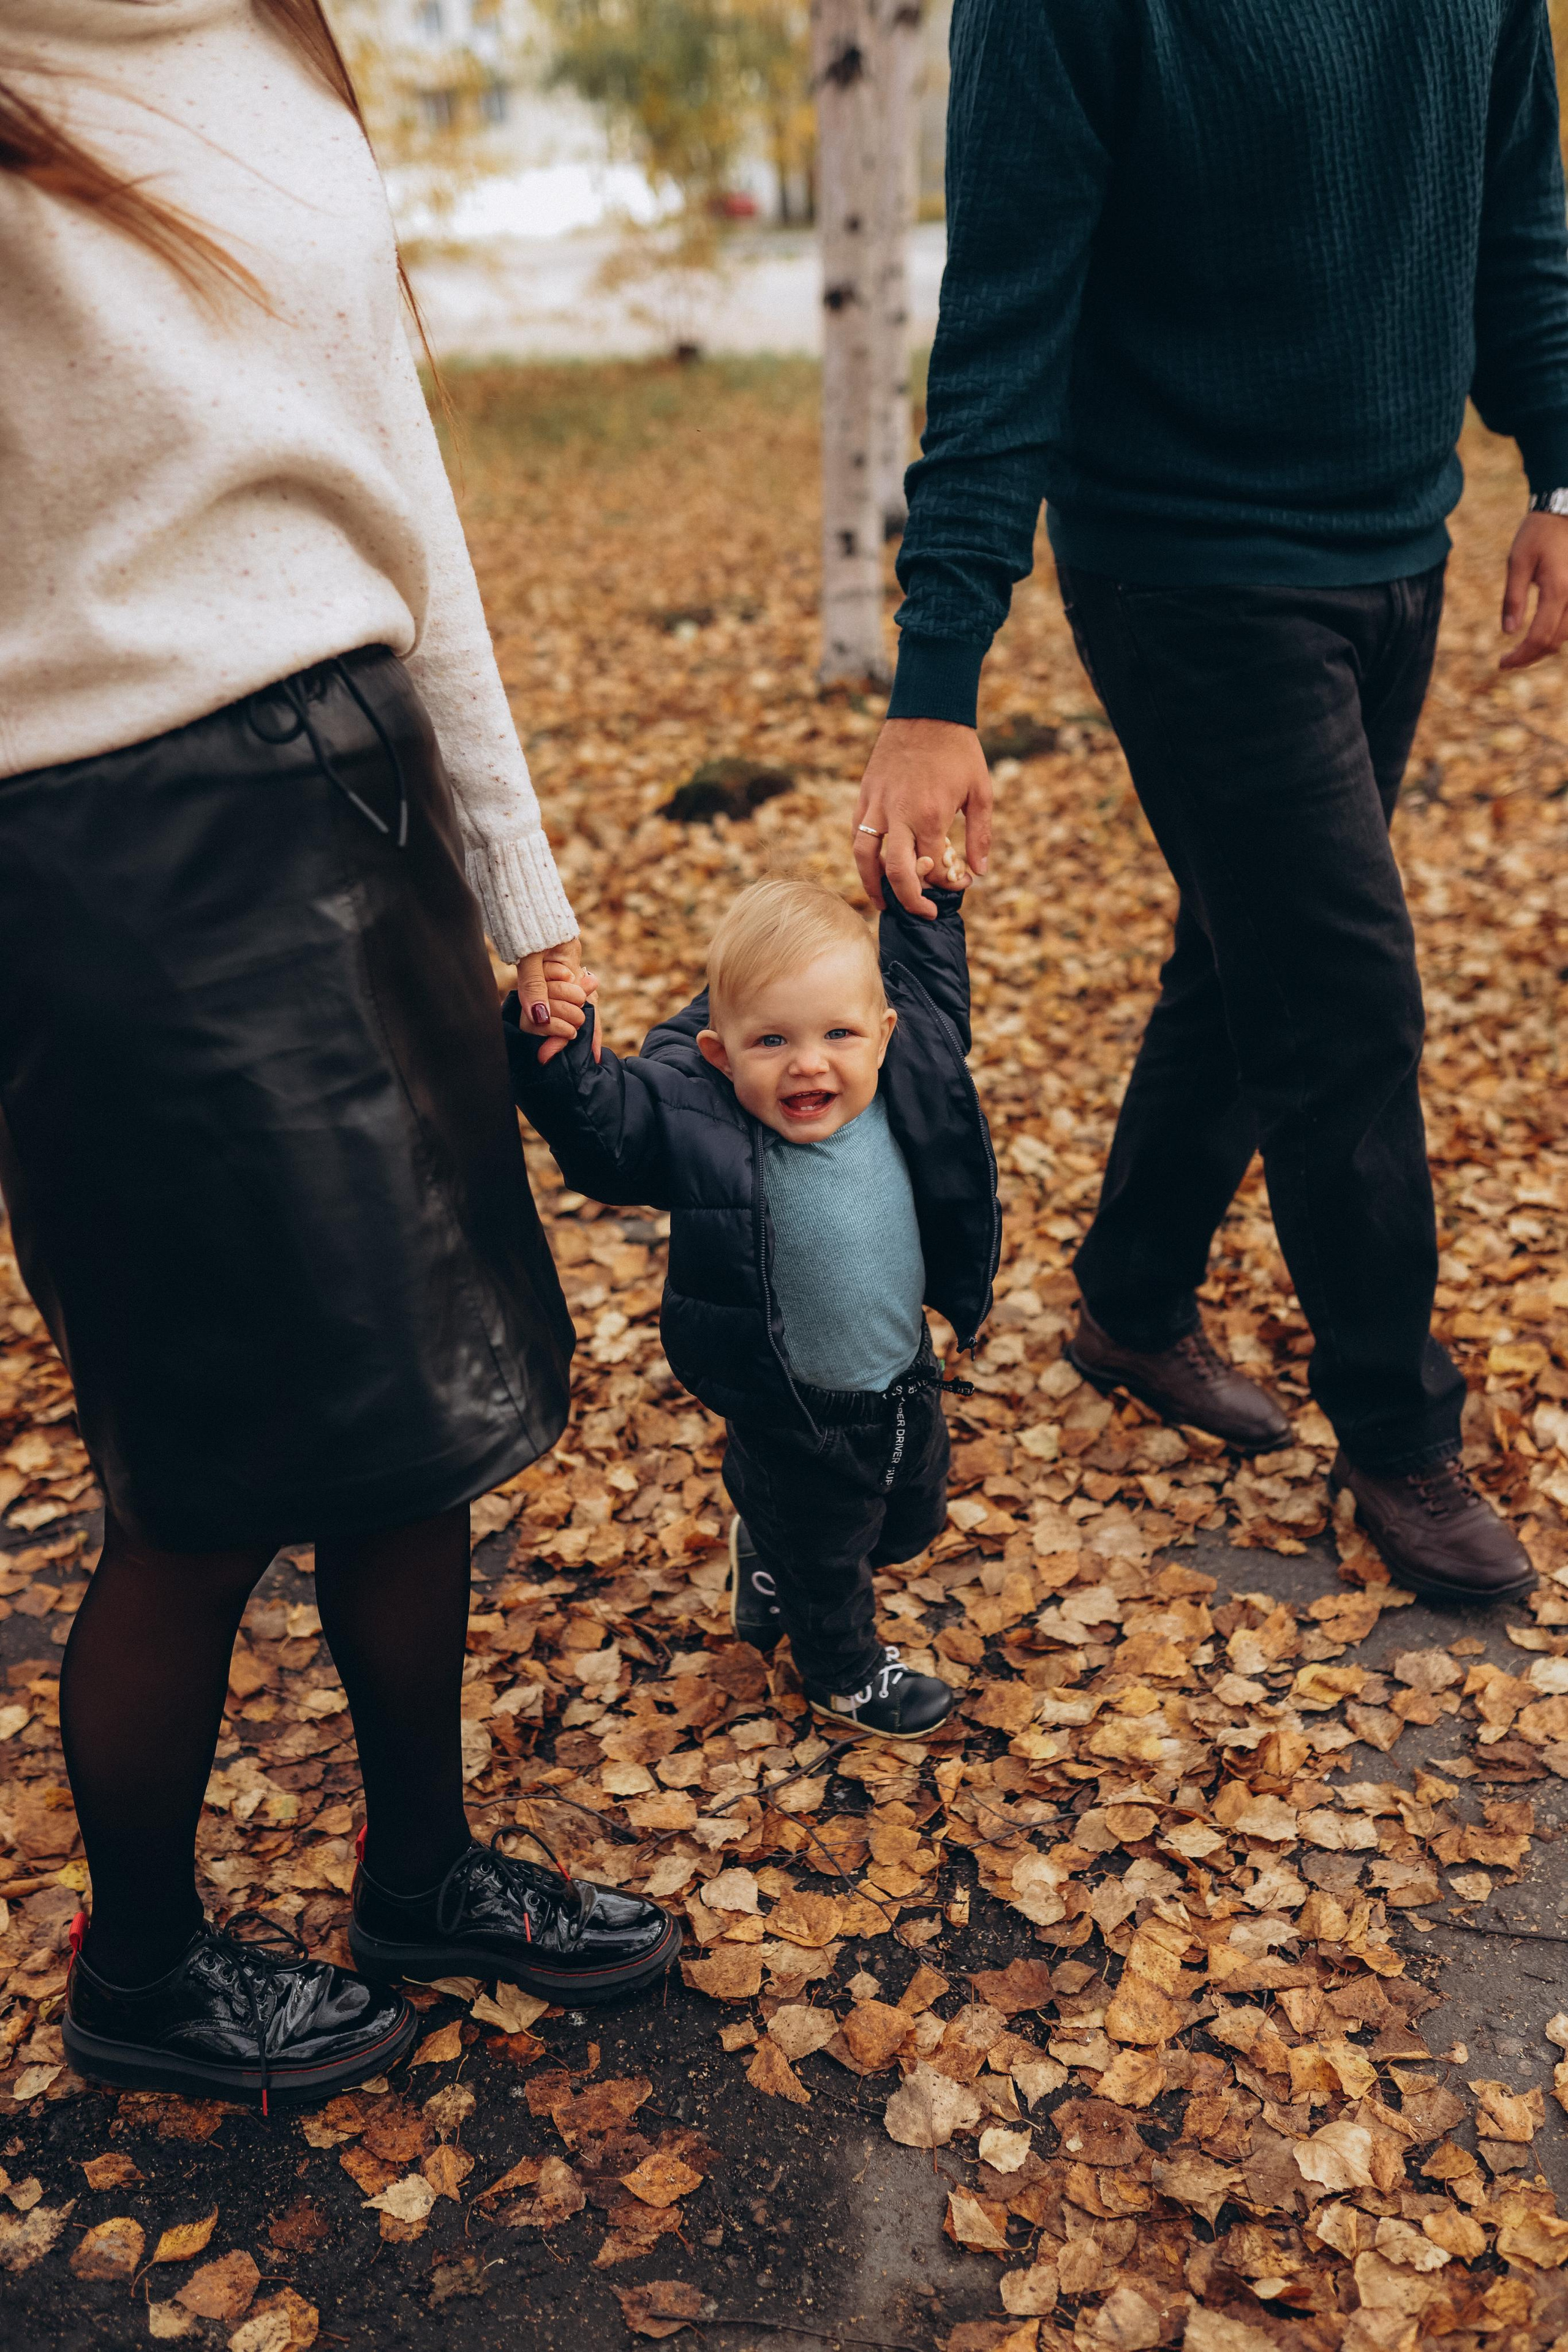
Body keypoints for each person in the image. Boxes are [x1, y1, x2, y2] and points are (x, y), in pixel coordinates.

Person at [1, 0, 676, 2109]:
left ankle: (424, 1873)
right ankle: (143, 1967)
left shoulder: (274, 42)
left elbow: (406, 487)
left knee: (426, 1404)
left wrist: (516, 868)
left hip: (362, 796)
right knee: (204, 1468)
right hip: (107, 854)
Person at [851, 0, 1568, 1604]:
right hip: (1187, 571)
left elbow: (1517, 205)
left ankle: (1129, 1294)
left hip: (1397, 544)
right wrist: (936, 677)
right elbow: (1003, 318)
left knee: (1252, 953)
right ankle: (1397, 1432)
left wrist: (1560, 469)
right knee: (1343, 995)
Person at [507, 872, 1000, 1737]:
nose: (808, 1063)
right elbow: (608, 1130)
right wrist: (557, 1052)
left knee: (908, 1522)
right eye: (772, 1040)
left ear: (883, 1034)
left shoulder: (904, 1070)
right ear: (721, 1053)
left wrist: (926, 900)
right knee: (827, 1562)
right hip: (793, 1410)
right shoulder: (705, 1121)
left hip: (903, 1376)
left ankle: (766, 1539)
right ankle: (842, 1675)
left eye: (838, 1034)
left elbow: (929, 984)